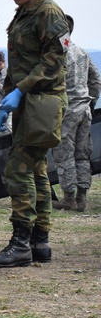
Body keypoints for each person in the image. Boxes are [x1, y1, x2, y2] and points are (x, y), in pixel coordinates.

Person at [0, 0, 69, 268]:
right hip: (26, 102)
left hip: (44, 101)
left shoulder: (49, 13)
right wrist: (9, 94)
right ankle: (39, 241)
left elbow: (53, 63)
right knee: (36, 170)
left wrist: (22, 90)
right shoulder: (23, 13)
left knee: (18, 168)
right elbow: (19, 60)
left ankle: (21, 241)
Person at [54, 14, 99, 212]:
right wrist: (91, 103)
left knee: (65, 154)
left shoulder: (57, 53)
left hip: (67, 110)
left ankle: (69, 198)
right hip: (84, 109)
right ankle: (81, 198)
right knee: (82, 155)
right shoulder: (81, 52)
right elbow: (96, 80)